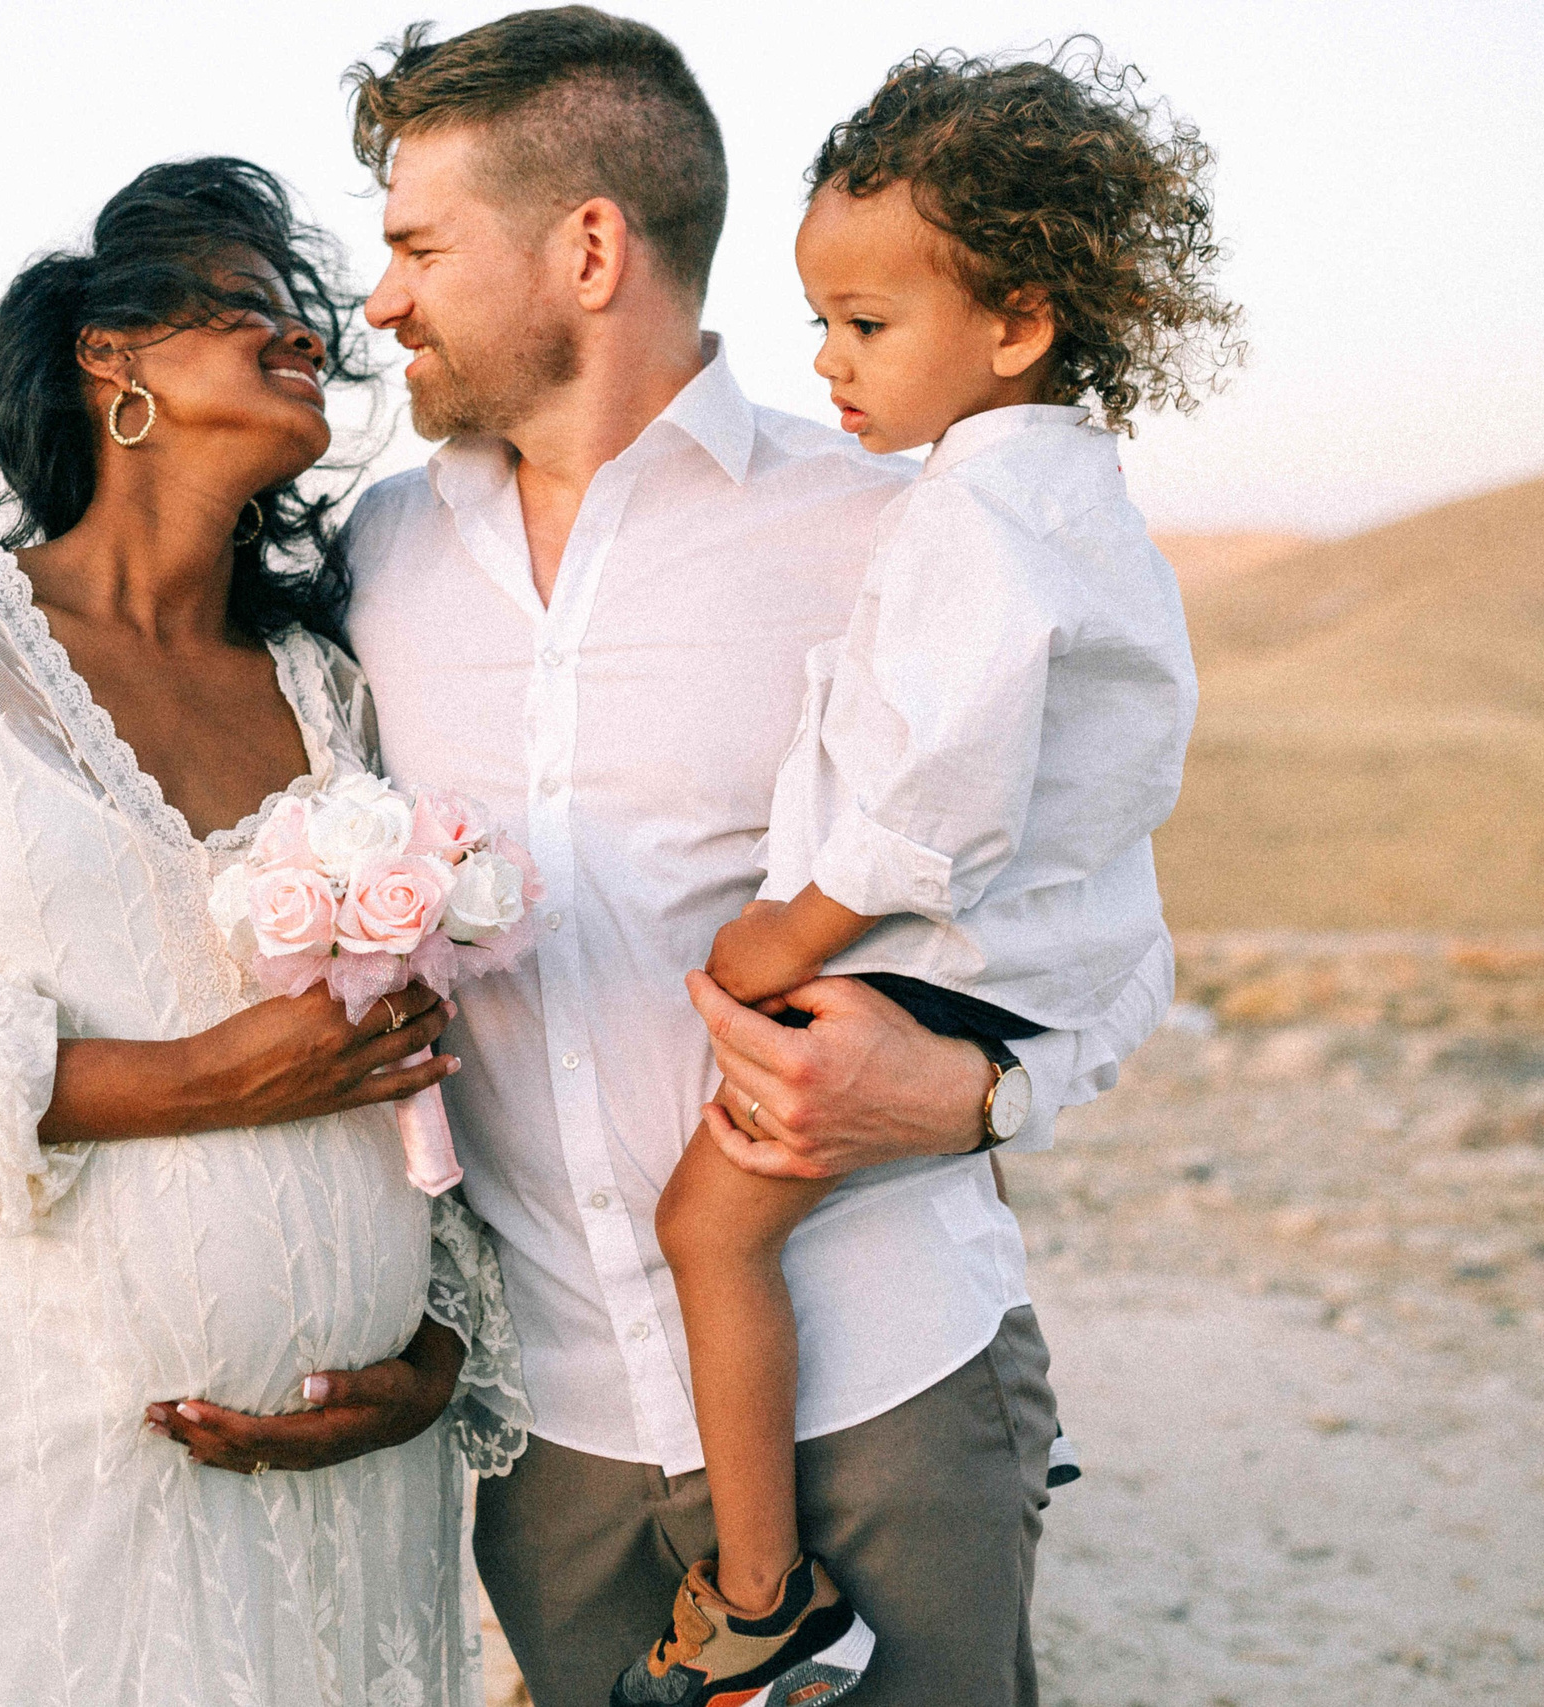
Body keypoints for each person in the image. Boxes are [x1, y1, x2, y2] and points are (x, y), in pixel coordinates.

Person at [337, 11, 1176, 1705]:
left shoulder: (894, 525)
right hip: (551, 1435)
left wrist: (976, 1098)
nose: (383, 300)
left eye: (420, 245)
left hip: (889, 1380)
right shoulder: (375, 555)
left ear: (587, 247)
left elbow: (1113, 915)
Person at [0, 157, 528, 1706]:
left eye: (309, 318)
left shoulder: (330, 679)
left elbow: (407, 1050)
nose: (307, 335)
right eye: (255, 306)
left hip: (352, 1464)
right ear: (114, 356)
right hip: (67, 1441)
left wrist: (436, 1354)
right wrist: (185, 1082)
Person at [629, 44, 1235, 1707]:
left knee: (705, 1225)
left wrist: (784, 930)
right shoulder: (1058, 495)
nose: (826, 361)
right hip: (981, 966)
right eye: (819, 321)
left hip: (921, 959)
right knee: (719, 1224)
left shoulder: (981, 521)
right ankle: (770, 1589)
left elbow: (932, 799)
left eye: (866, 326)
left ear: (1016, 323)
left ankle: (762, 1598)